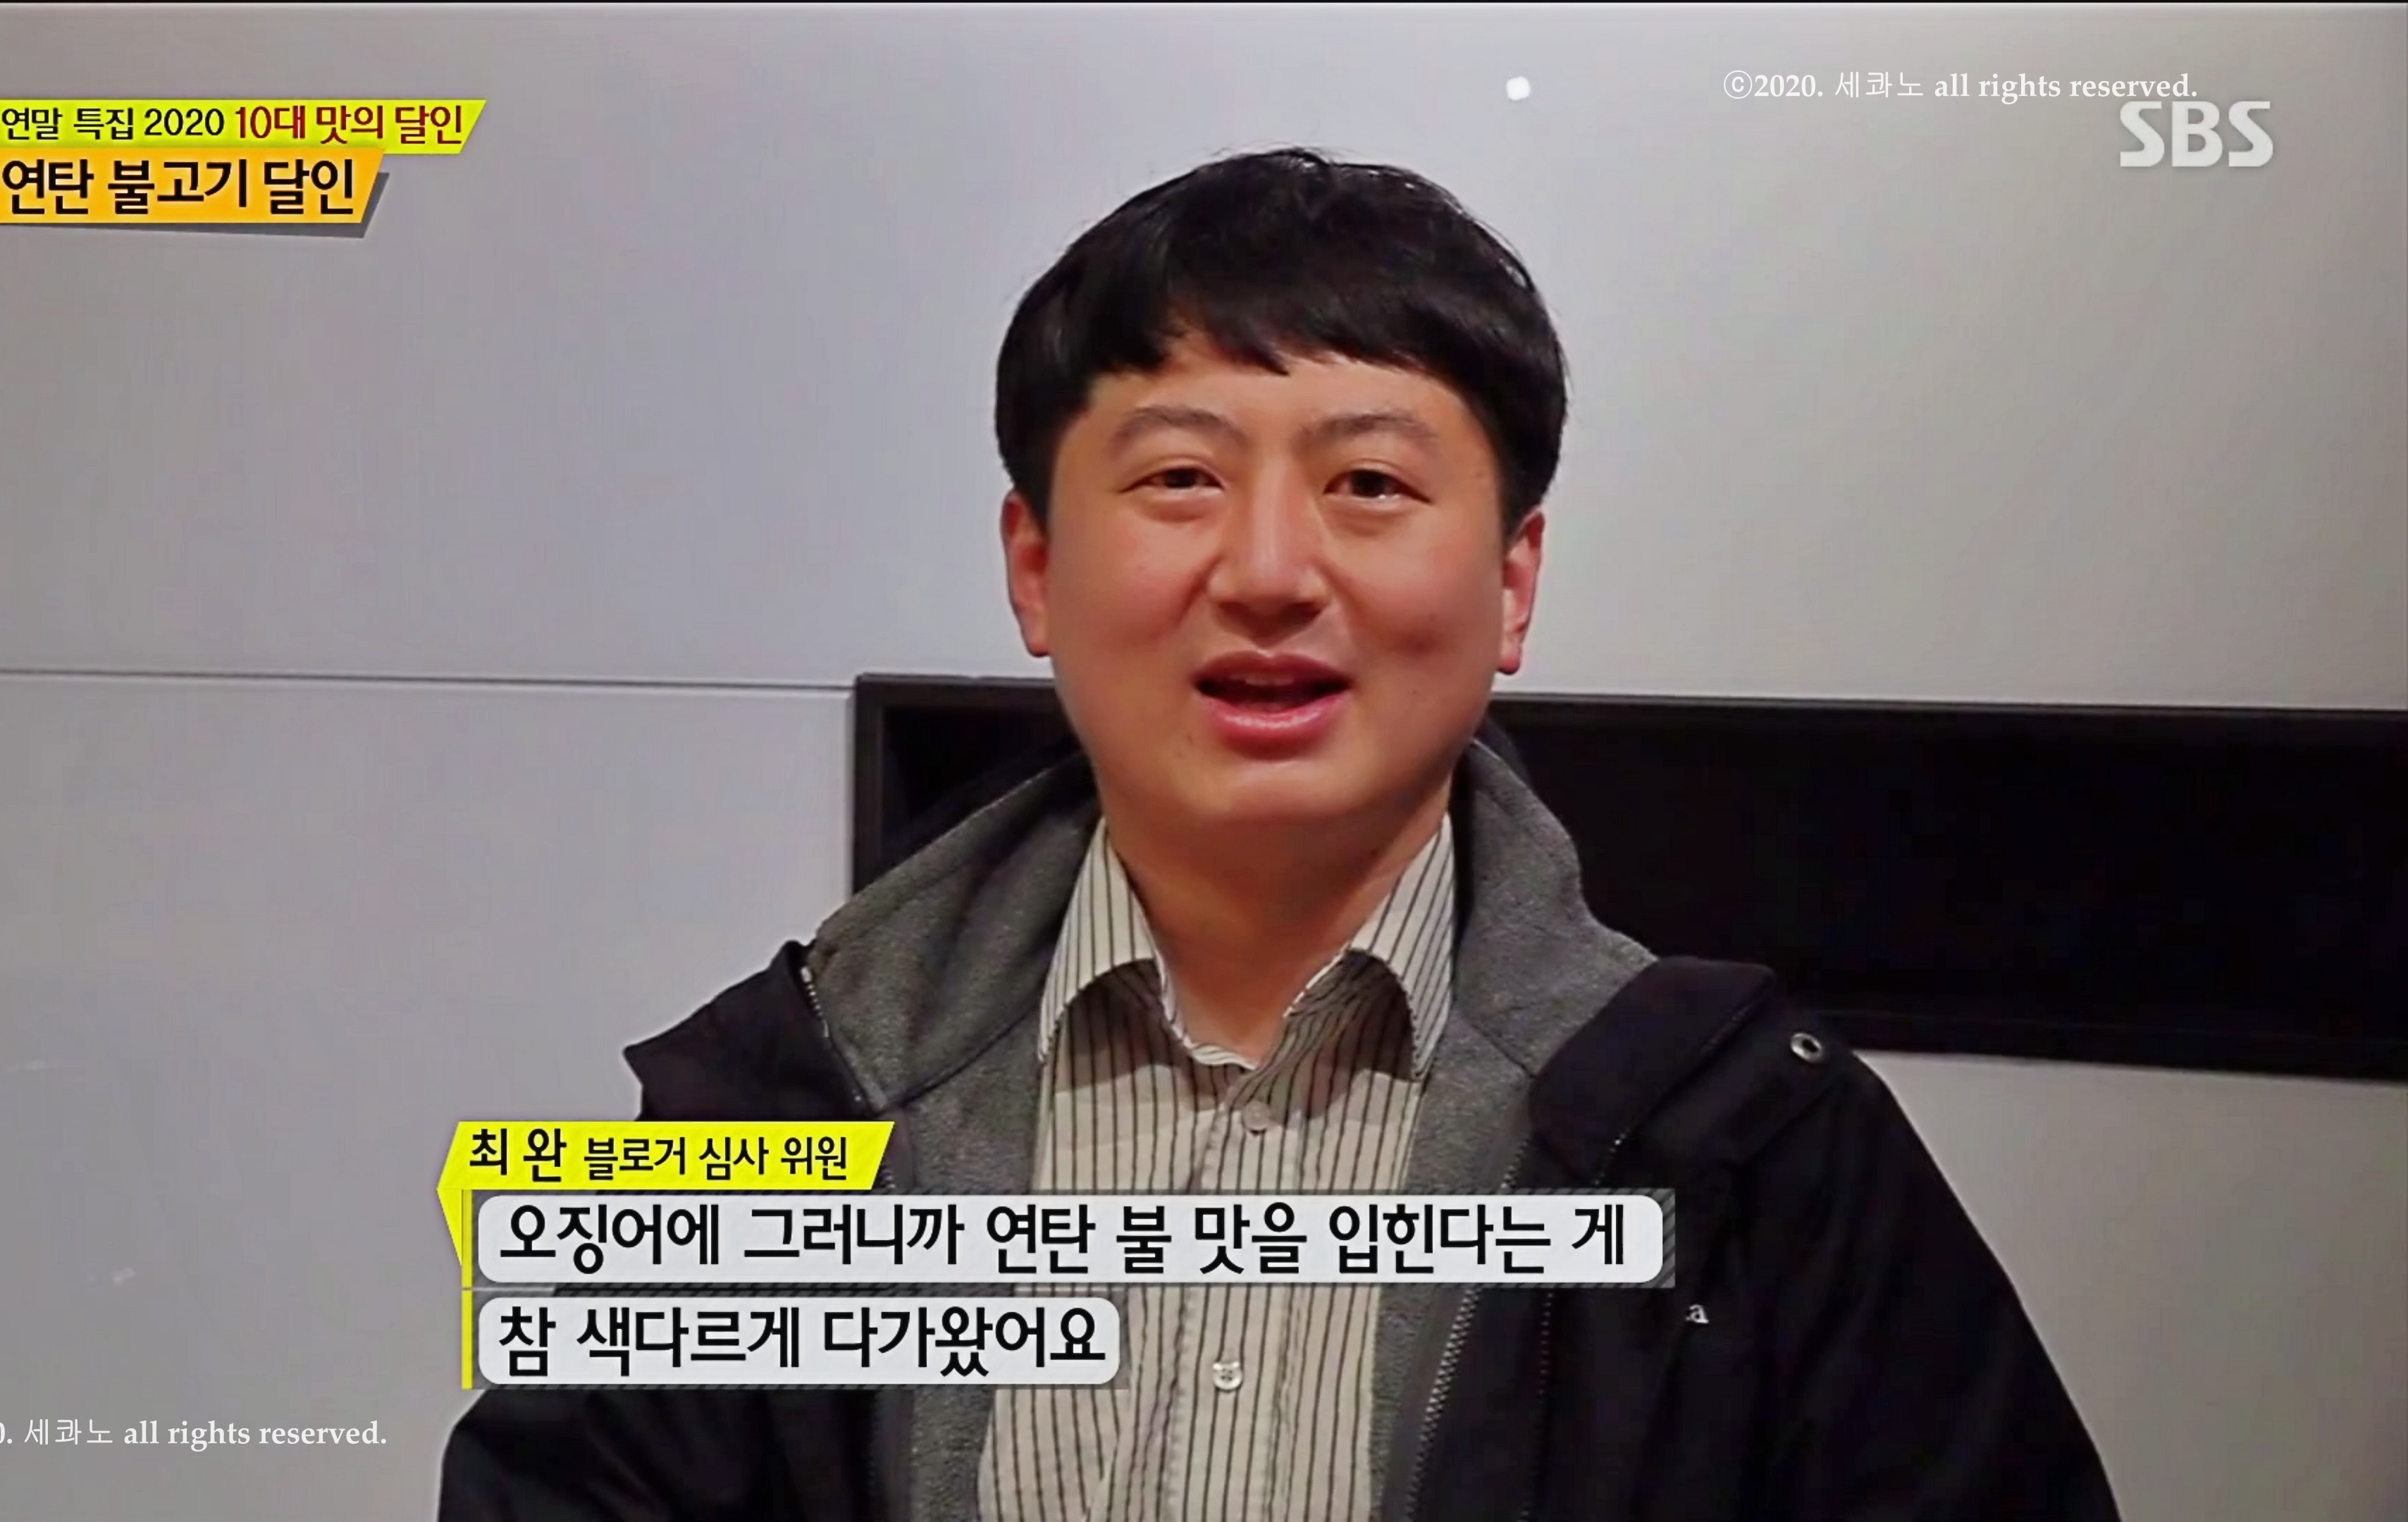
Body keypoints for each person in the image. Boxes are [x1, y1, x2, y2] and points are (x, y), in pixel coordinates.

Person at [438, 147, 2120, 1522]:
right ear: (1036, 569)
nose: (1265, 572)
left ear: (1511, 583)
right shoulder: (775, 1106)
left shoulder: (1750, 1145)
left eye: (1370, 485)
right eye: (1179, 479)